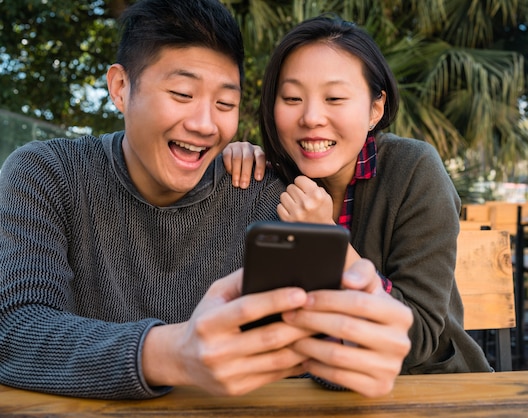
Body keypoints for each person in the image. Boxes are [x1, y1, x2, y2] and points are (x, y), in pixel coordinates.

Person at [0, 0, 412, 400]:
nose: (204, 124)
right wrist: (171, 353)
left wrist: (355, 338)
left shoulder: (262, 195)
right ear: (121, 88)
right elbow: (16, 329)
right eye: (181, 93)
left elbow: (310, 355)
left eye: (225, 103)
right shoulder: (46, 174)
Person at [254, 15, 492, 374]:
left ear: (375, 109)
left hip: (429, 389)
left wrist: (327, 242)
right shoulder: (271, 181)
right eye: (291, 98)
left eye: (334, 97)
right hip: (316, 389)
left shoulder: (414, 170)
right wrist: (237, 159)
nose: (311, 117)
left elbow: (417, 338)